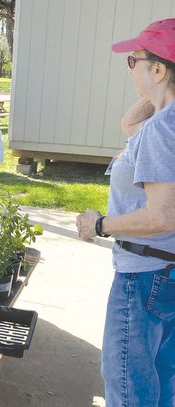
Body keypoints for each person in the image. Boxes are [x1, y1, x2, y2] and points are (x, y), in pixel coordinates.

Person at [75, 19, 175, 407]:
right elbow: (129, 123)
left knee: (128, 386)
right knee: (161, 382)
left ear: (159, 68)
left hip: (144, 275)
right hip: (165, 273)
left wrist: (99, 225)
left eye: (134, 61)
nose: (130, 68)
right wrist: (162, 93)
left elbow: (162, 215)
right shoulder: (161, 122)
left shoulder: (163, 130)